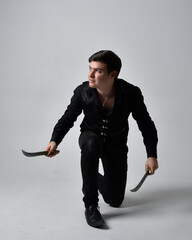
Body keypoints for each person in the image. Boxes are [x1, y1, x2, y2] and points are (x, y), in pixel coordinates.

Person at [45, 50, 158, 228]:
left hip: (116, 144)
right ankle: (90, 205)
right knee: (91, 143)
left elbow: (146, 124)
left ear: (113, 74)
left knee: (115, 200)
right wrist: (54, 141)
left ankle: (91, 175)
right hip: (90, 136)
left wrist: (152, 155)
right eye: (90, 68)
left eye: (97, 71)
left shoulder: (131, 93)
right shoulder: (82, 91)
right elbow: (68, 118)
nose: (90, 74)